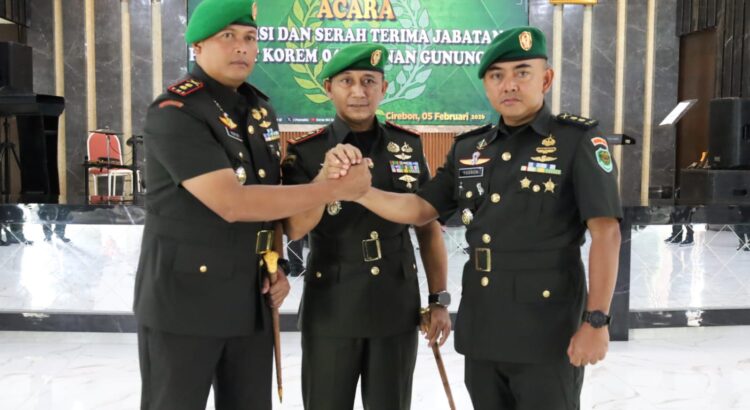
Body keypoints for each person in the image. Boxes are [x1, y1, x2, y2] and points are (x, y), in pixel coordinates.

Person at [341, 26, 623, 409]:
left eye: (521, 73)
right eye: (496, 76)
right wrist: (361, 192)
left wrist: (597, 320)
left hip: (547, 328)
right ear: (487, 86)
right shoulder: (470, 148)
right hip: (483, 327)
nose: (509, 85)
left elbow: (606, 234)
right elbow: (419, 209)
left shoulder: (577, 140)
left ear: (546, 79)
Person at [133, 1, 371, 409]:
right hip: (185, 300)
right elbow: (232, 202)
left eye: (249, 37)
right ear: (197, 46)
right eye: (228, 37)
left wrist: (275, 263)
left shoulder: (259, 109)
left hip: (250, 295)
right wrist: (334, 190)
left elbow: (269, 196)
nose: (242, 47)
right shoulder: (176, 111)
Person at [281, 43, 451, 410]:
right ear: (329, 88)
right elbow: (294, 229)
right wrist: (325, 180)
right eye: (347, 81)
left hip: (395, 304)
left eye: (369, 81)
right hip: (332, 306)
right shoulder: (306, 151)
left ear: (384, 88)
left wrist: (438, 299)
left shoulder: (407, 145)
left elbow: (428, 227)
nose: (359, 91)